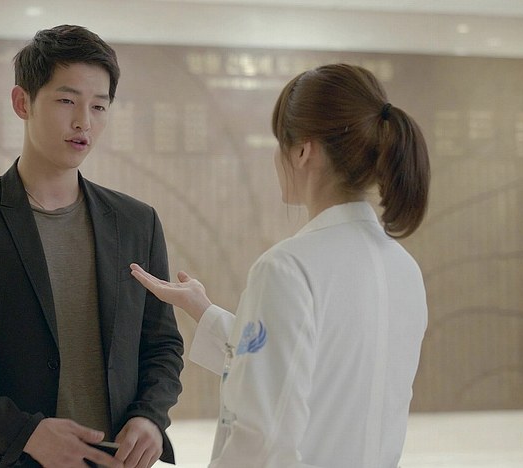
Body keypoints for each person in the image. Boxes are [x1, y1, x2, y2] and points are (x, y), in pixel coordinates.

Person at [0, 25, 184, 468]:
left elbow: (162, 344)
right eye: (66, 101)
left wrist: (151, 416)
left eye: (99, 106)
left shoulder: (136, 222)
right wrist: (25, 434)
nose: (84, 122)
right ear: (23, 102)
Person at [130, 63, 430, 468]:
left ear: (303, 151)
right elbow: (318, 374)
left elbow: (262, 439)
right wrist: (203, 309)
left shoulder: (288, 267)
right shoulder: (404, 268)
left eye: (279, 143)